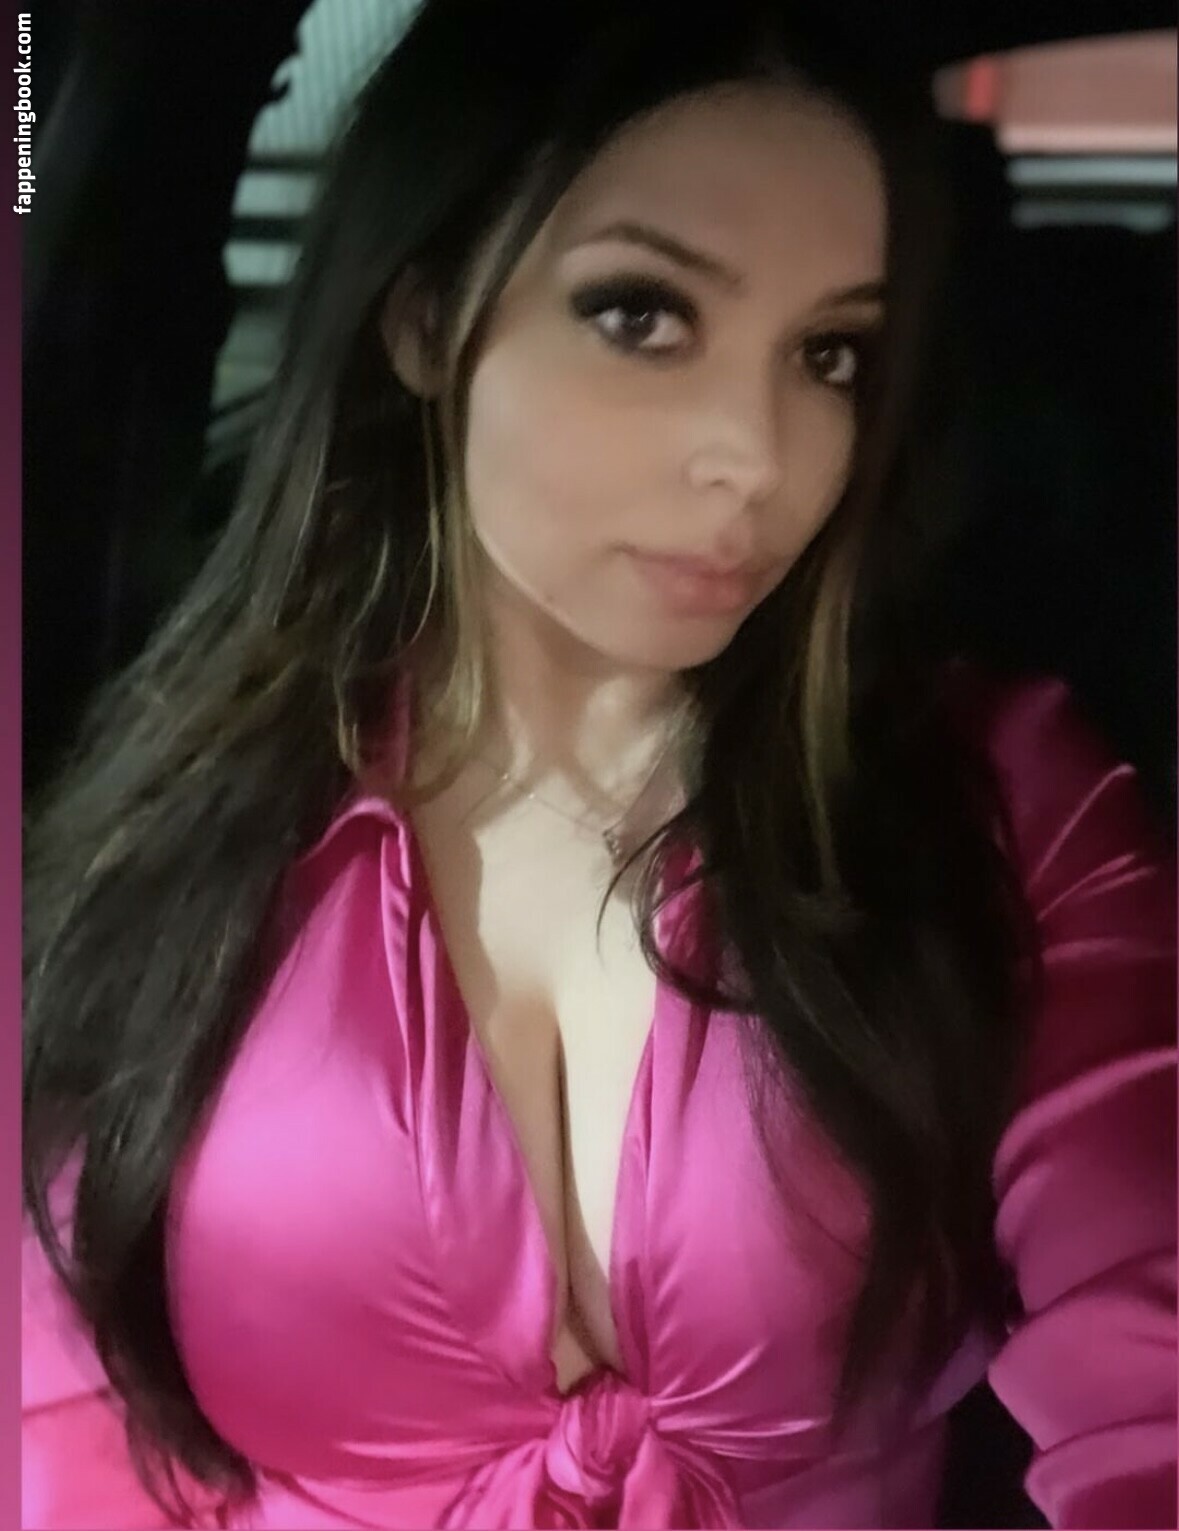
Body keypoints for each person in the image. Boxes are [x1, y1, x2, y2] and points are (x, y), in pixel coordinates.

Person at [21, 2, 1176, 1527]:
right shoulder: (164, 834)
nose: (756, 455)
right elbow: (60, 1416)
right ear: (424, 318)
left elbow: (1152, 1333)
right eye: (642, 316)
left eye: (830, 354)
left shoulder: (994, 803)